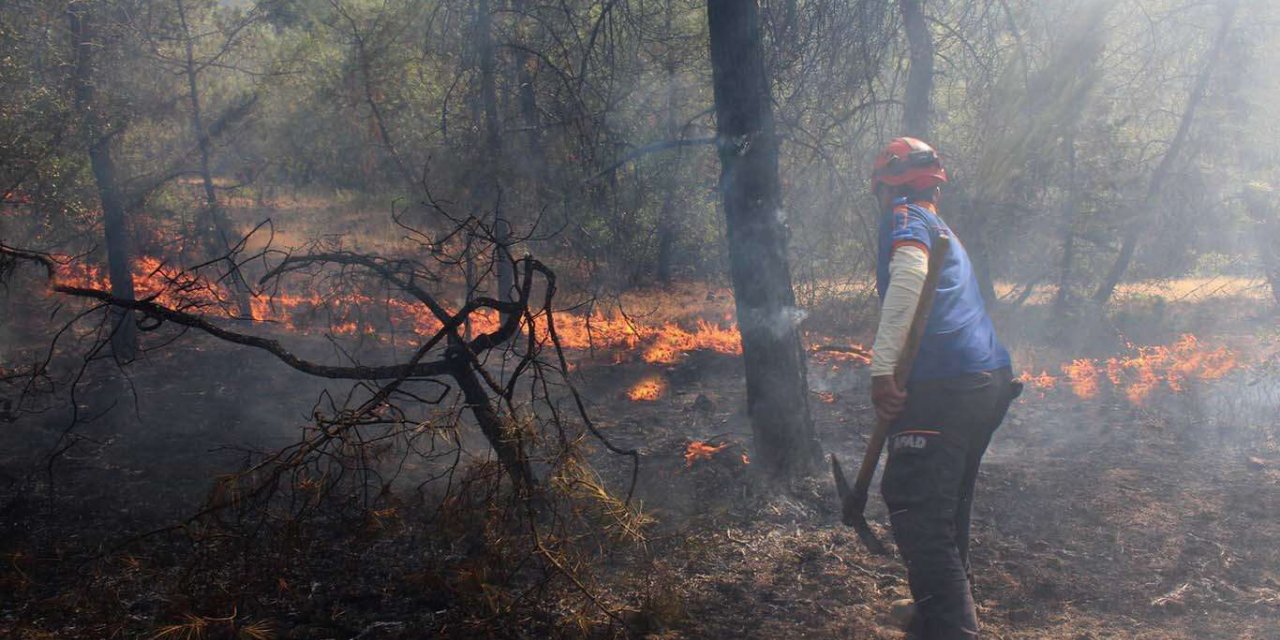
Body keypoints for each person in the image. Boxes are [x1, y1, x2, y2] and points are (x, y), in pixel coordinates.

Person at [868, 137, 1022, 639]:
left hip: (947, 386)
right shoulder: (941, 228)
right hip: (987, 382)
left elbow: (909, 278)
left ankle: (953, 628)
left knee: (915, 504)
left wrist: (882, 370)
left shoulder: (906, 217)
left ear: (887, 187)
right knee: (944, 507)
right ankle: (938, 616)